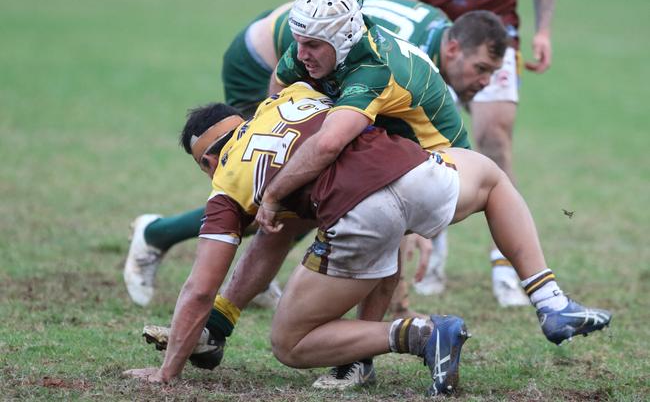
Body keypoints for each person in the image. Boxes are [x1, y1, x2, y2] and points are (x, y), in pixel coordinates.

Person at [123, 82, 611, 397]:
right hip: (415, 170)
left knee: (290, 343)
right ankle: (549, 298)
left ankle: (418, 334)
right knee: (492, 177)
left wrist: (168, 372)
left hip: (360, 215)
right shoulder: (291, 95)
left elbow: (200, 287)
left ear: (207, 161)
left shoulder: (226, 182)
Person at [124, 0, 506, 309]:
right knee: (270, 189)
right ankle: (158, 236)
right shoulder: (392, 63)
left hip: (309, 53)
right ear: (453, 48)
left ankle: (244, 290)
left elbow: (395, 171)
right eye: (480, 69)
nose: (484, 84)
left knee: (311, 189)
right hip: (262, 59)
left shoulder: (423, 49)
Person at [376, 0, 561, 307]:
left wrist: (543, 30)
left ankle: (505, 266)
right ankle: (433, 250)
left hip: (498, 43)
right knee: (427, 146)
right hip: (438, 44)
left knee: (494, 140)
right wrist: (421, 17)